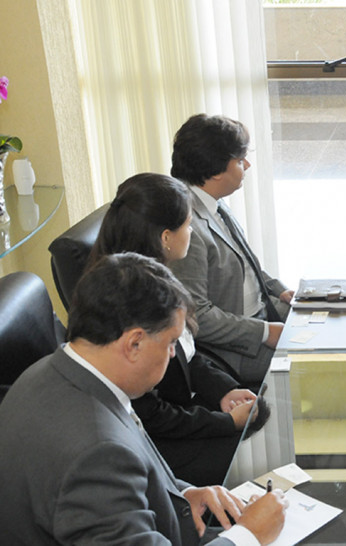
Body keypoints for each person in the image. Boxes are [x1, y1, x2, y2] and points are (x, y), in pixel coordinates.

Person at [0, 253, 286, 545]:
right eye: (171, 342)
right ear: (134, 343)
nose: (174, 354)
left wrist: (184, 494)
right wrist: (249, 536)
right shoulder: (97, 454)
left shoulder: (50, 371)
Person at [90, 172, 260, 486]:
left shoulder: (156, 279)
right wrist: (222, 423)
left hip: (181, 413)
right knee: (255, 459)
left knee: (260, 420)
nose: (193, 231)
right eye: (188, 225)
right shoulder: (131, 303)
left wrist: (224, 390)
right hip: (157, 443)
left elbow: (189, 355)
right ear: (165, 237)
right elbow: (149, 414)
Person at [169, 114, 293, 385]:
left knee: (335, 326)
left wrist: (278, 289)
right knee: (326, 362)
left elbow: (246, 263)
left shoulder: (214, 203)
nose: (247, 165)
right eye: (239, 160)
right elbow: (196, 316)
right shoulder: (186, 227)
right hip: (234, 347)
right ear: (215, 171)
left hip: (265, 311)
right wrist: (264, 332)